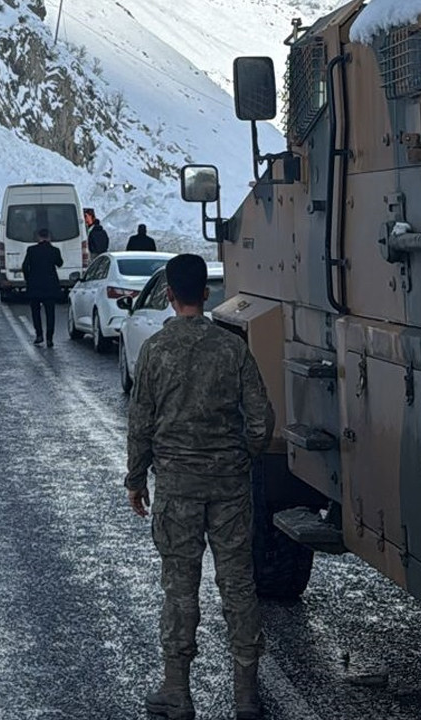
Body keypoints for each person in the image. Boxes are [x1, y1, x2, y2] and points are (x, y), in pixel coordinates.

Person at [124, 254, 274, 720]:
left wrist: (135, 478)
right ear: (205, 295)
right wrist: (239, 458)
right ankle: (246, 696)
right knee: (238, 586)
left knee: (180, 589)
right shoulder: (232, 349)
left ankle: (177, 692)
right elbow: (261, 420)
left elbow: (140, 423)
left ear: (169, 295)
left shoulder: (154, 351)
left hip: (177, 488)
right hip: (228, 486)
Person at [21, 229, 64, 346]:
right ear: (49, 237)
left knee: (36, 312)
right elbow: (60, 263)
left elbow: (25, 266)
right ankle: (49, 338)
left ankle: (39, 335)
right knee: (50, 313)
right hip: (50, 286)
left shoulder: (31, 250)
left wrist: (28, 279)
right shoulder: (54, 250)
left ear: (39, 237)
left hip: (35, 286)